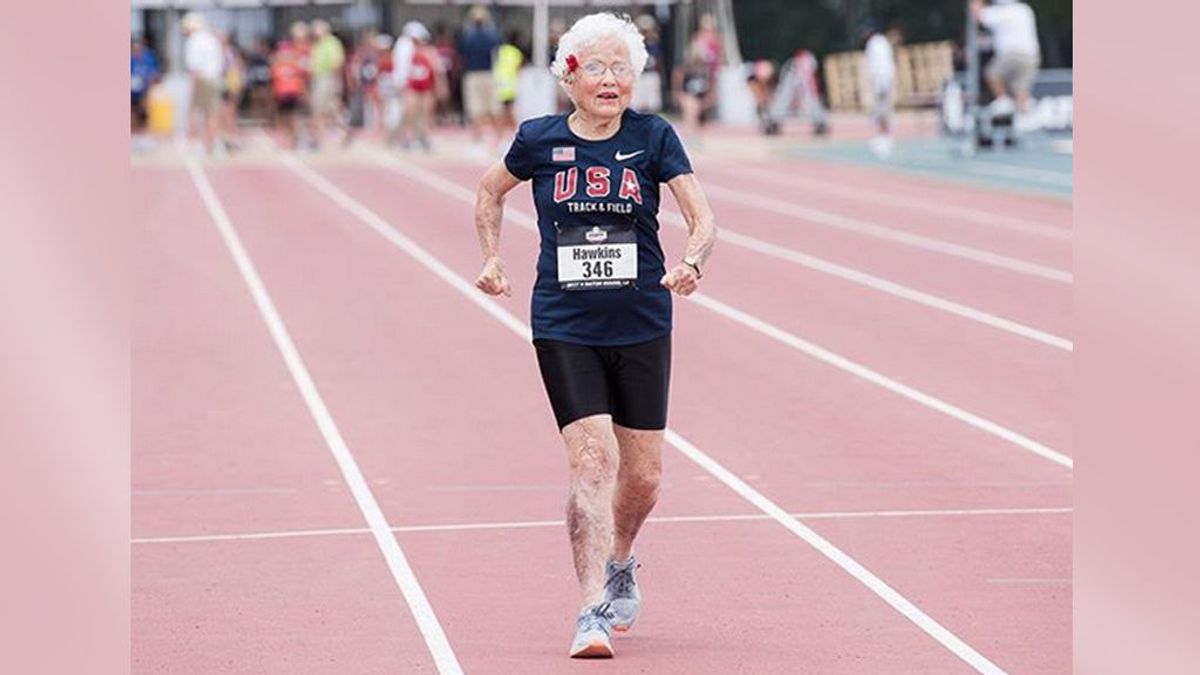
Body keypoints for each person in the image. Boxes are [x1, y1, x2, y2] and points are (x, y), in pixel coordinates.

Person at [472, 12, 717, 660]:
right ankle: (590, 611)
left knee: (643, 480)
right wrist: (491, 256)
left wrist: (692, 260)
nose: (611, 80)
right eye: (598, 68)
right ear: (569, 74)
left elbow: (703, 217)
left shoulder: (654, 137)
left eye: (622, 69)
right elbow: (490, 191)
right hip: (564, 323)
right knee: (591, 460)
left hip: (641, 322)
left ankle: (621, 559)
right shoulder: (539, 139)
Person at [970, 0, 1041, 117]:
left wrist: (976, 3)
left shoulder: (1000, 12)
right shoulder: (1024, 10)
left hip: (1011, 54)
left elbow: (979, 15)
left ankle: (1003, 99)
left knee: (992, 74)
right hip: (1031, 56)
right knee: (1021, 90)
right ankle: (1024, 117)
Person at [457, 5, 502, 153]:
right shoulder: (492, 35)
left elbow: (462, 55)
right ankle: (498, 139)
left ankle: (477, 140)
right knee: (494, 108)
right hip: (489, 74)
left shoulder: (467, 36)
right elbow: (497, 53)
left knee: (476, 110)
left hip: (473, 74)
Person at [395, 22, 445, 150]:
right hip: (412, 86)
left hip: (426, 87)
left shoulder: (429, 51)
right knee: (410, 112)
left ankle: (424, 137)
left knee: (426, 113)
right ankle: (408, 138)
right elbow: (402, 69)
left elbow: (437, 70)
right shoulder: (405, 50)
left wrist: (440, 86)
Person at [181, 12, 226, 156]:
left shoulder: (194, 40)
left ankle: (194, 145)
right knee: (212, 114)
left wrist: (191, 88)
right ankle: (210, 146)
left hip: (202, 79)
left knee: (194, 112)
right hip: (215, 79)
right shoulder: (211, 39)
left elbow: (194, 68)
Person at [309, 19, 347, 147]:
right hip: (321, 78)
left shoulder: (331, 43)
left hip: (327, 78)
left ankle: (335, 135)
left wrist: (336, 83)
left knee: (327, 109)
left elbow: (337, 64)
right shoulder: (318, 44)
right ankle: (321, 137)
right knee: (325, 109)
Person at [862, 22, 897, 157]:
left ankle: (884, 136)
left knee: (882, 108)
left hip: (881, 80)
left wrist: (877, 83)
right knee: (883, 108)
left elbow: (877, 65)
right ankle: (884, 135)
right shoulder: (882, 42)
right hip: (886, 78)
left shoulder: (874, 44)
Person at [492, 31, 525, 137]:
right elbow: (518, 69)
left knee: (501, 111)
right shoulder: (517, 53)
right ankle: (516, 131)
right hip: (511, 84)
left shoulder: (501, 50)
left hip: (500, 82)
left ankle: (499, 134)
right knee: (510, 110)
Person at [130, 38, 159, 133]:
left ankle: (145, 127)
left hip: (145, 87)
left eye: (138, 48)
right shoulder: (131, 59)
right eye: (134, 48)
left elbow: (154, 73)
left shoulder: (148, 57)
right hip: (132, 88)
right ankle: (133, 127)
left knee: (144, 103)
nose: (136, 50)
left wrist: (149, 83)